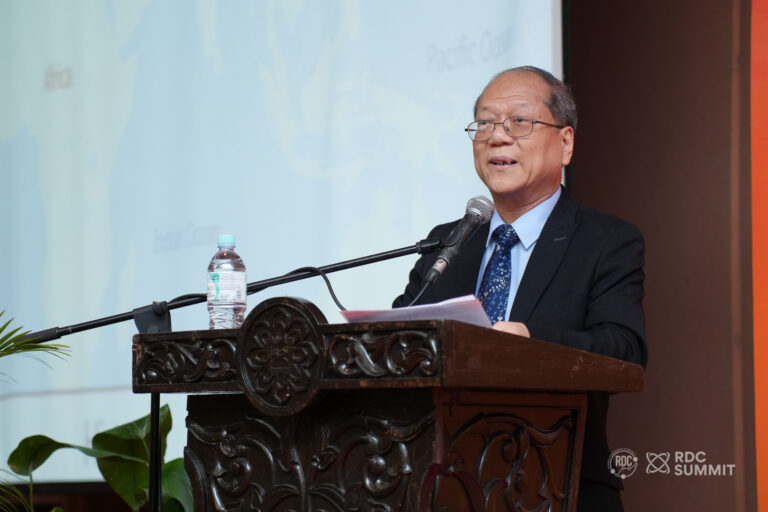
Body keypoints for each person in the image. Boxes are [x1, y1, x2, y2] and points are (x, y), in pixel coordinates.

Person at [393, 66, 647, 511]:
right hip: (444, 488)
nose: (497, 136)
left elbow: (624, 350)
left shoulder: (605, 241)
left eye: (519, 122)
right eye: (485, 123)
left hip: (558, 484)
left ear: (565, 143)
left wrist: (529, 344)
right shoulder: (448, 243)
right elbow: (398, 341)